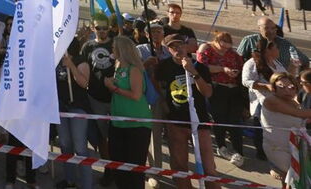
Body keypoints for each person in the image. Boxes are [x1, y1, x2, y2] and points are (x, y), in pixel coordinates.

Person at [155, 34, 218, 189]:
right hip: (176, 121)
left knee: (209, 167)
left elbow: (208, 92)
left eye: (180, 45)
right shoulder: (163, 66)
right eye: (173, 46)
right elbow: (154, 81)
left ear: (186, 46)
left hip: (200, 121)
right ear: (168, 49)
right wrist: (163, 102)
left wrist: (193, 72)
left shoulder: (199, 66)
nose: (178, 49)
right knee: (180, 165)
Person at [105, 36, 152, 189]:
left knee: (135, 167)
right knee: (118, 164)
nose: (112, 50)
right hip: (118, 122)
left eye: (114, 47)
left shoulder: (134, 69)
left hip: (137, 123)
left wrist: (113, 88)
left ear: (122, 50)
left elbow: (136, 95)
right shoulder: (118, 67)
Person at [196, 31, 245, 166]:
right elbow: (202, 66)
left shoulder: (233, 53)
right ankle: (221, 146)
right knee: (220, 118)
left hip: (233, 88)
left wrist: (235, 72)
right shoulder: (207, 48)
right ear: (216, 41)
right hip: (217, 87)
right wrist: (223, 69)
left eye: (227, 47)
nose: (225, 50)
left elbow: (241, 66)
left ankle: (238, 151)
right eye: (222, 47)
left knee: (235, 120)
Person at [80, 14, 115, 186]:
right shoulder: (87, 46)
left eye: (104, 28)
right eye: (98, 28)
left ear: (109, 28)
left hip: (116, 97)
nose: (101, 31)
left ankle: (120, 170)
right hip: (96, 98)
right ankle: (109, 170)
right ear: (93, 28)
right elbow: (82, 68)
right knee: (102, 138)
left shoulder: (116, 44)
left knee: (117, 136)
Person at [242, 37, 287, 162]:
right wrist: (266, 86)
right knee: (262, 130)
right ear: (268, 50)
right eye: (276, 48)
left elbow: (286, 77)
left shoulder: (276, 63)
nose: (278, 50)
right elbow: (246, 81)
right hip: (262, 102)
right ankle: (262, 153)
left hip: (277, 102)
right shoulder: (252, 63)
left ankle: (274, 151)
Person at [57, 37, 93, 189]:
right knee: (65, 145)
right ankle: (69, 180)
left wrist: (71, 65)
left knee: (80, 147)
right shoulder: (58, 60)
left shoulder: (81, 61)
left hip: (78, 108)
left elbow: (84, 83)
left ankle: (87, 185)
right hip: (62, 108)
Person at [237, 16, 308, 68]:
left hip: (281, 79)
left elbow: (304, 60)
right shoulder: (249, 40)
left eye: (273, 28)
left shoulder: (284, 43)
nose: (270, 31)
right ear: (259, 28)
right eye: (266, 28)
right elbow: (237, 60)